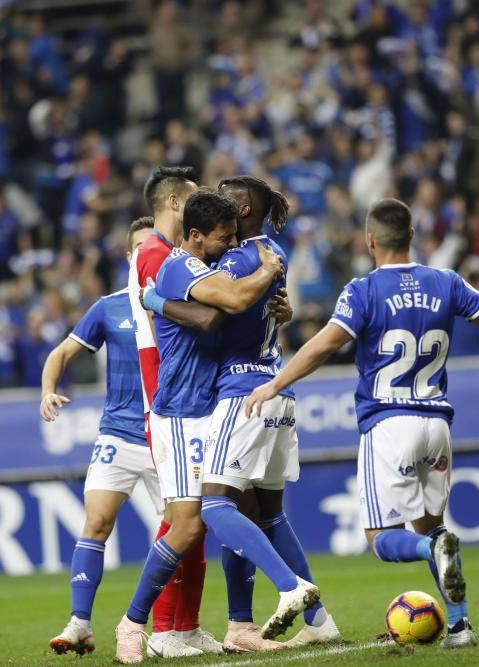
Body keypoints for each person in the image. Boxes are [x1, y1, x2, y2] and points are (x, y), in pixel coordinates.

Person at [245, 198, 479, 649]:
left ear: (370, 240)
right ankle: (460, 626)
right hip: (437, 424)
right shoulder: (446, 282)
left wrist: (275, 383)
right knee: (432, 525)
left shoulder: (363, 290)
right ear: (412, 236)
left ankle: (431, 554)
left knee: (383, 539)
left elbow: (324, 345)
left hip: (389, 424)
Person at [144, 176, 336, 650]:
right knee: (267, 515)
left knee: (215, 505)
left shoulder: (238, 258)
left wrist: (155, 300)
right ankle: (312, 621)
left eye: (227, 195)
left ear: (243, 207)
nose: (215, 197)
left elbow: (218, 311)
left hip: (242, 391)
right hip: (275, 387)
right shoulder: (271, 253)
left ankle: (291, 591)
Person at [114, 189, 288, 664]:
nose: (232, 246)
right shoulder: (179, 265)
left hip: (214, 406)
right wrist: (268, 272)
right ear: (194, 236)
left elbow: (232, 310)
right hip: (180, 411)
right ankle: (132, 624)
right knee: (188, 525)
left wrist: (274, 307)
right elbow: (218, 312)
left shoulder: (211, 265)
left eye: (235, 237)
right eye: (223, 238)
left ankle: (241, 625)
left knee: (239, 508)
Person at [44, 217, 163, 656]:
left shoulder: (180, 303)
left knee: (179, 533)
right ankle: (79, 623)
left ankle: (164, 628)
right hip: (118, 432)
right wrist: (47, 391)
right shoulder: (109, 307)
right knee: (95, 523)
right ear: (130, 256)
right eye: (140, 246)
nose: (149, 252)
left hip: (164, 435)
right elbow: (61, 353)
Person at [126, 166, 212, 657]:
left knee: (195, 519)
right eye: (194, 200)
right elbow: (197, 317)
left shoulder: (168, 253)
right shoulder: (155, 254)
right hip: (171, 403)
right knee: (179, 518)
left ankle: (186, 627)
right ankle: (157, 627)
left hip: (186, 401)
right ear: (176, 203)